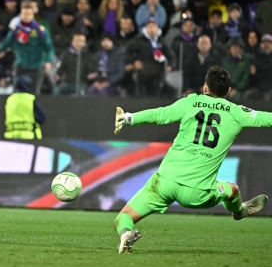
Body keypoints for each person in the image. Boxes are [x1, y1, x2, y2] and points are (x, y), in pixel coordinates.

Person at [113, 65, 269, 254]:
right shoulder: (238, 113)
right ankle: (239, 211)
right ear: (228, 91)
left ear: (205, 87)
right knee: (233, 190)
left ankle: (125, 235)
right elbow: (267, 118)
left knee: (124, 217)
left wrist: (129, 118)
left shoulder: (191, 102)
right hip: (198, 193)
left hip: (165, 182)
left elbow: (160, 115)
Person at [0, 3, 55, 95]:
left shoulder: (40, 30)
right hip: (21, 64)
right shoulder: (17, 29)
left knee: (34, 93)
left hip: (37, 65)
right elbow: (7, 42)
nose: (26, 16)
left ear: (33, 15)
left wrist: (48, 61)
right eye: (24, 13)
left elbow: (49, 47)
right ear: (21, 15)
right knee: (17, 92)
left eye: (29, 14)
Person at [125, 17, 175, 97]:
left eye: (154, 26)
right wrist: (134, 61)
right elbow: (127, 52)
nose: (152, 29)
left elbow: (171, 56)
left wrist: (170, 66)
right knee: (141, 100)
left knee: (155, 100)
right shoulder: (139, 40)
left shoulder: (161, 41)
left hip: (158, 76)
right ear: (146, 28)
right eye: (150, 26)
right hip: (142, 76)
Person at [4, 75, 46, 140]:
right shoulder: (30, 99)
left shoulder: (10, 99)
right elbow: (42, 118)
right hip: (28, 137)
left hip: (11, 136)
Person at [243, 34, 272, 100]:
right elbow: (251, 80)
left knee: (267, 98)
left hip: (270, 88)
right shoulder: (255, 57)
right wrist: (252, 74)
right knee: (247, 95)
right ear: (261, 44)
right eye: (264, 43)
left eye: (269, 43)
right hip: (258, 87)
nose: (266, 45)